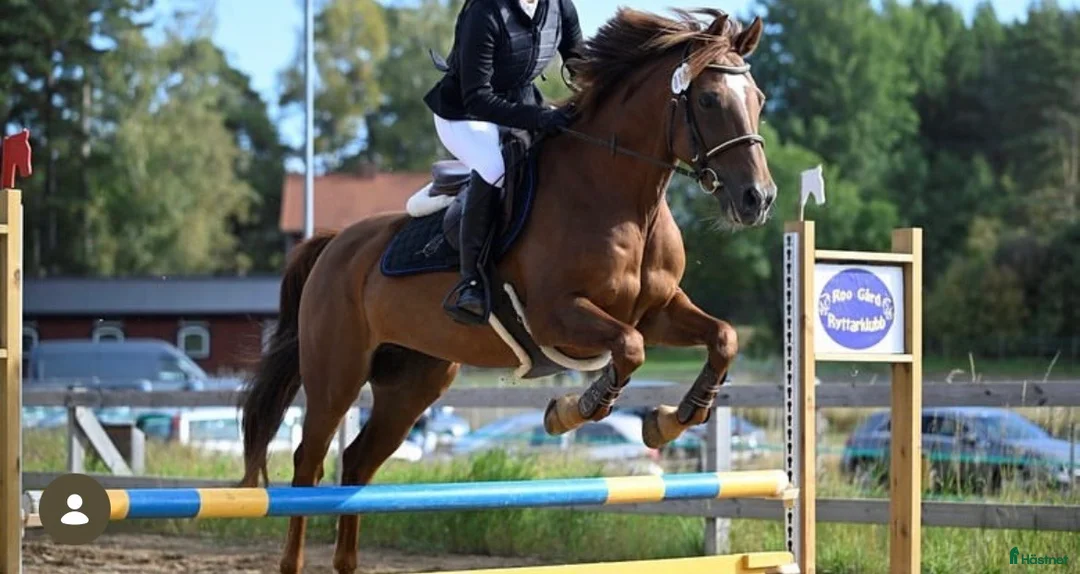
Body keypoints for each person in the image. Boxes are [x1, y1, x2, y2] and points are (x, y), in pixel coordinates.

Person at [424, 0, 584, 324]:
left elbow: (582, 65)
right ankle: (470, 282)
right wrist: (538, 117)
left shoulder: (559, 6)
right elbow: (477, 97)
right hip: (464, 115)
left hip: (522, 106)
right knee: (495, 167)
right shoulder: (485, 12)